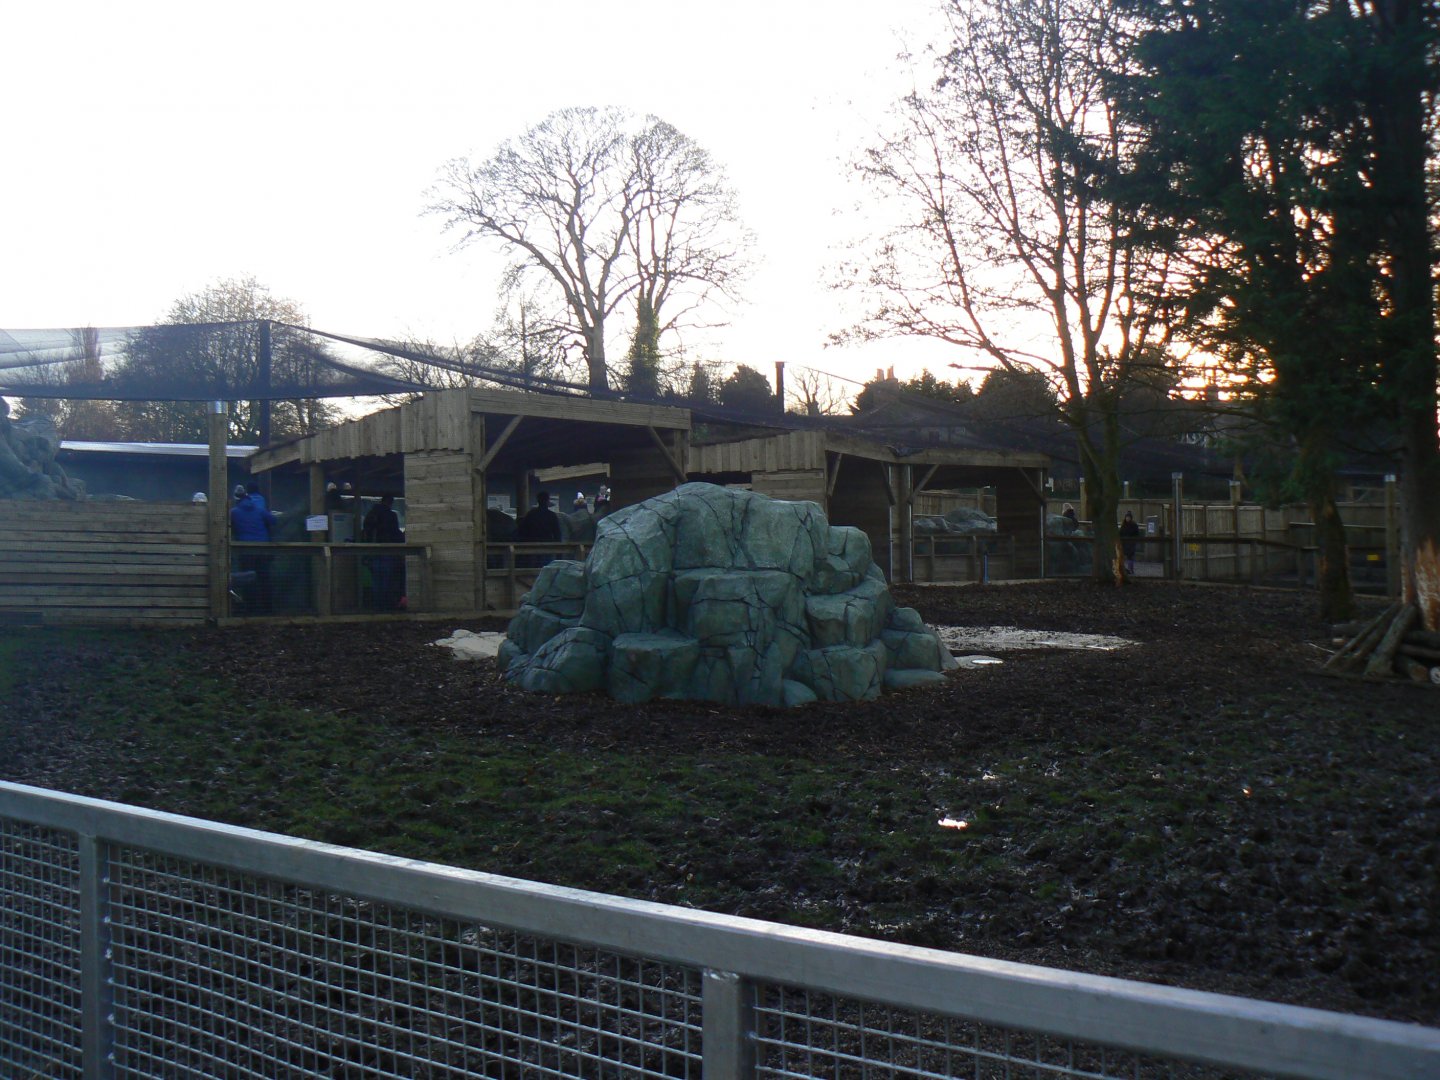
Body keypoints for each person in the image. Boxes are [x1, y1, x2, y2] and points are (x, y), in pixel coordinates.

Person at [230, 484, 276, 612]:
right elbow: (273, 521)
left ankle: (250, 608)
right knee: (264, 579)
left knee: (247, 579)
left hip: (245, 550)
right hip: (262, 549)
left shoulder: (234, 512)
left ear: (236, 499)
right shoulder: (259, 510)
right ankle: (268, 608)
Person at [361, 494, 406, 609]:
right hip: (388, 551)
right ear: (390, 502)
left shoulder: (370, 515)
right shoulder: (391, 515)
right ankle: (386, 605)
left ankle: (377, 605)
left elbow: (366, 532)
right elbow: (395, 533)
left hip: (372, 552)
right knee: (388, 579)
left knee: (377, 579)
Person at [516, 490, 562, 567]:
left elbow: (522, 530)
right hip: (547, 547)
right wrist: (559, 553)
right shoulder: (552, 515)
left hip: (531, 547)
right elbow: (557, 534)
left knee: (531, 569)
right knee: (546, 568)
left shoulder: (531, 514)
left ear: (538, 501)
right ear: (547, 501)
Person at [1119, 510, 1142, 574]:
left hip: (1131, 543)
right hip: (1124, 543)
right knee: (1122, 556)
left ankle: (1130, 569)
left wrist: (1133, 540)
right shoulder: (1123, 525)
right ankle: (1123, 569)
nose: (1127, 518)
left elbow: (1137, 534)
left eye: (1128, 517)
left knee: (1130, 556)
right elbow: (1120, 533)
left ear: (1131, 518)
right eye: (1126, 517)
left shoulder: (1134, 525)